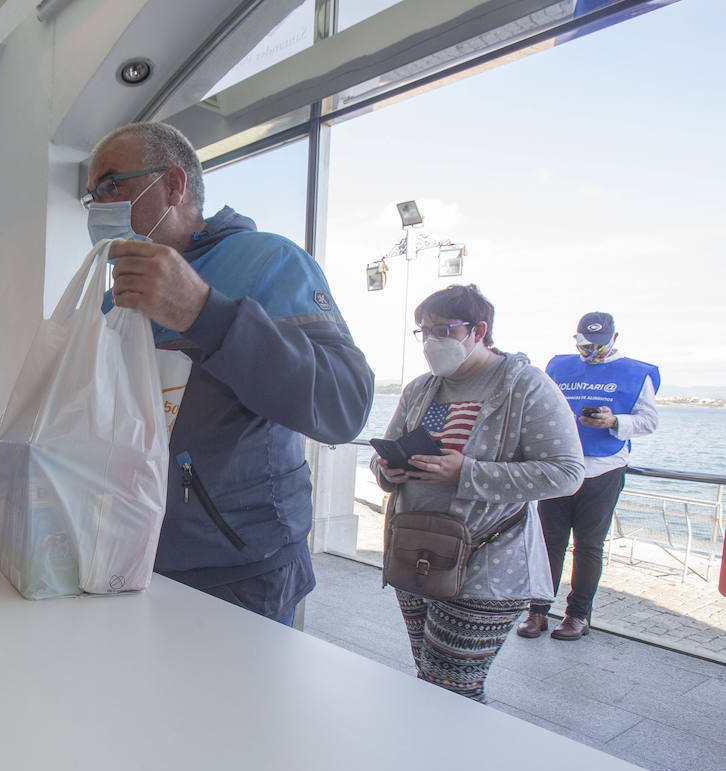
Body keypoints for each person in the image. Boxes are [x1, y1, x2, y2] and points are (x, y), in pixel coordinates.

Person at [85, 122, 373, 625]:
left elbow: (344, 405)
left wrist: (206, 314)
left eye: (113, 184)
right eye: (92, 195)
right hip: (131, 553)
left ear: (173, 185)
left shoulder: (272, 262)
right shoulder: (116, 295)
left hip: (240, 569)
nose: (100, 205)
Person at [371, 284, 583, 702]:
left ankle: (454, 765)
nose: (431, 341)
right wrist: (387, 471)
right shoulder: (421, 387)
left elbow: (567, 473)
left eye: (443, 329)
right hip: (416, 554)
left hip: (487, 566)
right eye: (423, 331)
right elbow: (387, 451)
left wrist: (466, 474)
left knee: (452, 691)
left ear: (478, 330)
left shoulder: (525, 386)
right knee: (429, 678)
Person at [518, 312, 660, 641]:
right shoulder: (558, 366)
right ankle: (538, 610)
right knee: (548, 542)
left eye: (598, 344)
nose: (591, 349)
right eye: (585, 343)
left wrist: (615, 422)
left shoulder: (637, 373)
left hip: (604, 469)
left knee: (588, 547)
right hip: (559, 466)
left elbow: (649, 421)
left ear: (614, 338)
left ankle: (577, 616)